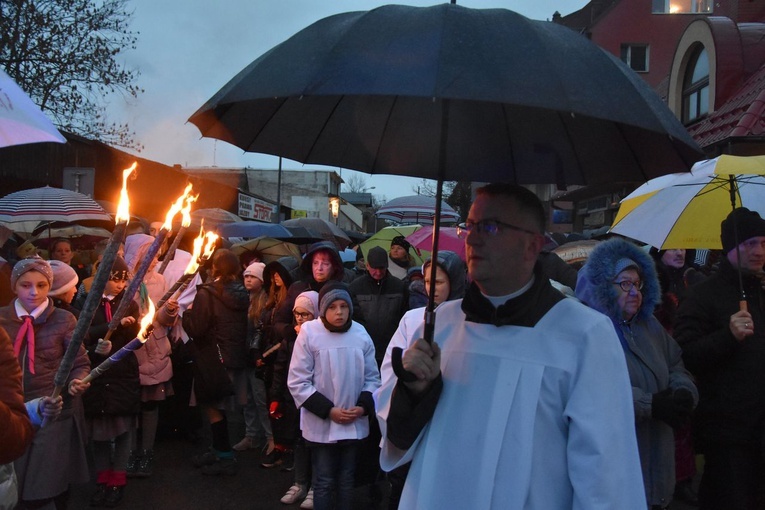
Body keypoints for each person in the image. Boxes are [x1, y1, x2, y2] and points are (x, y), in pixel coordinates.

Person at [376, 183, 645, 509]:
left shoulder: (584, 336)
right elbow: (398, 442)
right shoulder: (439, 325)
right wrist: (415, 393)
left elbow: (606, 479)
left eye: (491, 227)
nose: (473, 239)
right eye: (470, 226)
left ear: (533, 245)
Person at [575, 237, 698, 509]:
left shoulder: (649, 325)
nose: (635, 292)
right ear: (602, 288)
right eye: (624, 284)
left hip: (659, 463)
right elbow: (590, 390)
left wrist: (682, 392)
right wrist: (648, 404)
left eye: (638, 284)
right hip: (615, 471)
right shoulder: (588, 331)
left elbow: (676, 362)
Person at [673, 207, 765, 510]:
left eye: (763, 243)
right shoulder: (703, 296)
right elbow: (685, 355)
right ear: (730, 248)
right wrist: (728, 336)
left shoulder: (761, 292)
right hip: (727, 434)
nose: (759, 251)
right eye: (750, 243)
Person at [0, 256, 91, 509]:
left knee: (45, 488)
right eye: (25, 285)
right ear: (14, 287)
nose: (34, 292)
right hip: (13, 413)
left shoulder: (64, 319)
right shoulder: (1, 320)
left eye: (41, 285)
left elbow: (80, 363)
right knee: (14, 486)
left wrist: (77, 381)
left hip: (53, 412)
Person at [379, 249, 465, 510]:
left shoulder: (471, 321)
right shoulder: (413, 319)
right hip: (413, 428)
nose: (431, 288)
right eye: (427, 281)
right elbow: (388, 371)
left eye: (438, 282)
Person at [288, 282, 381, 510]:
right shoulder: (310, 333)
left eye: (343, 306)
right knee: (324, 480)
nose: (338, 312)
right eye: (332, 307)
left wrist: (362, 407)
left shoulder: (360, 334)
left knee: (347, 480)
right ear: (323, 309)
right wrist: (328, 410)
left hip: (352, 420)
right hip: (322, 423)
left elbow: (373, 378)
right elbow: (298, 380)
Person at [81, 255, 141, 507]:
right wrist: (102, 336)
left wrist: (127, 327)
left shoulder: (130, 304)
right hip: (96, 374)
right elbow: (81, 333)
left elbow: (138, 336)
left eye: (124, 280)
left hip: (122, 373)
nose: (120, 285)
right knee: (99, 432)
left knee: (122, 427)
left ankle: (118, 479)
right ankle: (102, 479)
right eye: (115, 280)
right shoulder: (87, 302)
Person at [183, 249, 249, 476]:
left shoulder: (207, 293)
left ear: (215, 268)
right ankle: (219, 449)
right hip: (233, 356)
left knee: (212, 405)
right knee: (222, 406)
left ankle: (224, 454)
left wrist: (186, 316)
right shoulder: (242, 292)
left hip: (213, 357)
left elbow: (197, 329)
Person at [278, 290, 320, 509]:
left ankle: (314, 486)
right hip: (294, 398)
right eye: (298, 314)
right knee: (299, 442)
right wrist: (278, 394)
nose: (301, 319)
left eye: (307, 315)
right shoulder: (291, 337)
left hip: (313, 398)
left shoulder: (319, 338)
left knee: (314, 444)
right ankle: (299, 482)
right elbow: (282, 365)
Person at [233, 261, 274, 456]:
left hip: (257, 357)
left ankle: (270, 437)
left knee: (260, 398)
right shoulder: (242, 298)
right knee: (247, 398)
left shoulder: (266, 302)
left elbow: (261, 331)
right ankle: (251, 435)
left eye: (253, 276)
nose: (248, 279)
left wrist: (258, 353)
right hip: (243, 356)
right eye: (246, 276)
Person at [349, 246, 408, 367]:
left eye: (381, 268)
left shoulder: (399, 287)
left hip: (393, 347)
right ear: (367, 266)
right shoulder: (355, 287)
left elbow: (404, 316)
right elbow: (354, 318)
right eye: (374, 268)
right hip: (365, 348)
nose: (378, 272)